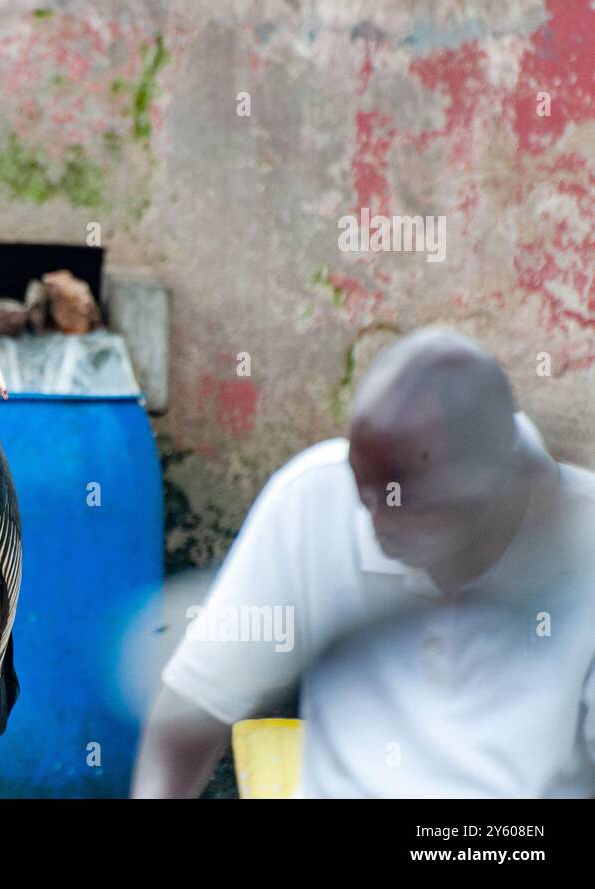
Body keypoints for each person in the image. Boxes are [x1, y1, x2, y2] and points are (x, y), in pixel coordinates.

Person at [133, 327, 595, 797]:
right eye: (365, 492)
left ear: (495, 481)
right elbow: (195, 705)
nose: (377, 522)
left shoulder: (580, 543)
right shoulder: (312, 502)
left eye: (406, 501)